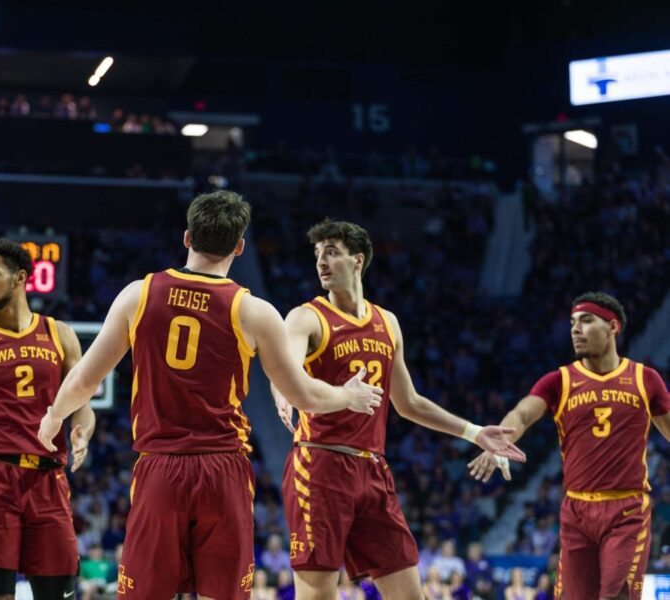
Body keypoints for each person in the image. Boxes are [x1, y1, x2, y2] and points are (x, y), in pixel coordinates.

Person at [37, 190, 383, 599]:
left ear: (187, 237)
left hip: (160, 468)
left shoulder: (139, 294)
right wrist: (347, 396)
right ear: (239, 246)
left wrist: (55, 417)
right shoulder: (253, 311)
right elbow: (305, 396)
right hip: (223, 472)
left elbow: (84, 380)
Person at [272, 219, 525, 600]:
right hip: (321, 465)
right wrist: (289, 393)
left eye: (332, 252)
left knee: (410, 595)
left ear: (357, 261)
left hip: (373, 468)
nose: (321, 261)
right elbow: (285, 374)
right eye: (317, 254)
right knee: (317, 595)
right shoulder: (306, 317)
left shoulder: (387, 322)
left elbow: (409, 403)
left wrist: (475, 432)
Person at [469, 292, 670, 600]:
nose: (576, 329)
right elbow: (523, 413)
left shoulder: (645, 380)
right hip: (576, 509)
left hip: (626, 508)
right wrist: (500, 438)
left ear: (613, 327)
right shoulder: (559, 381)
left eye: (586, 321)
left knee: (618, 595)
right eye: (573, 322)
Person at [0, 238, 94, 600]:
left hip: (48, 480)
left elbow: (82, 401)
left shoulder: (61, 334)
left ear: (20, 278)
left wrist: (82, 431)